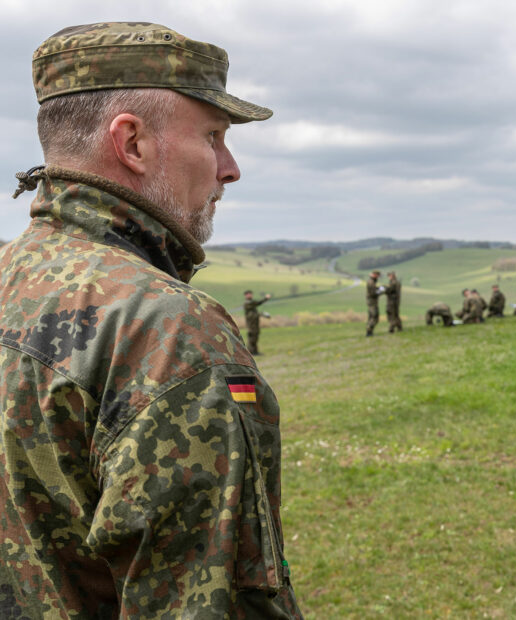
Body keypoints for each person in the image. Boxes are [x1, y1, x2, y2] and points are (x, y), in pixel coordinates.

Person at [0, 23, 302, 617]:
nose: (230, 167)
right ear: (132, 143)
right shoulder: (172, 332)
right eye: (214, 136)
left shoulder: (10, 275)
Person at [243, 289, 272, 354]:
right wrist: (266, 298)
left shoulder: (251, 304)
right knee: (252, 338)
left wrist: (262, 314)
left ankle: (255, 352)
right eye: (248, 294)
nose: (250, 295)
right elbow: (258, 303)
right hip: (251, 325)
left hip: (255, 324)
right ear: (245, 296)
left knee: (255, 337)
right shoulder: (248, 303)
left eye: (250, 294)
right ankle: (251, 352)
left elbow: (255, 312)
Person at [365, 269, 383, 336]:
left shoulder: (371, 281)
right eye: (377, 275)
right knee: (374, 317)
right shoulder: (371, 282)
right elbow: (373, 293)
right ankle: (369, 331)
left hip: (371, 302)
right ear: (375, 275)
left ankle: (369, 331)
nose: (378, 277)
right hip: (372, 302)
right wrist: (380, 290)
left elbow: (373, 290)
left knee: (371, 317)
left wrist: (378, 288)